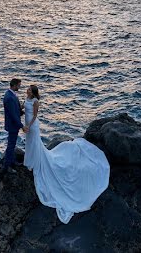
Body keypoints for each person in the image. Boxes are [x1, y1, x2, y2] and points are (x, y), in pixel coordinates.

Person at [21, 84, 110, 224]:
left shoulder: (36, 101)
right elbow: (22, 110)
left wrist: (28, 126)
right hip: (26, 124)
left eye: (29, 90)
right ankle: (31, 161)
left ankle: (36, 161)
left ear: (33, 92)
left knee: (35, 143)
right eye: (27, 90)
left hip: (32, 125)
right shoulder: (26, 99)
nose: (27, 91)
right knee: (30, 144)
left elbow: (34, 116)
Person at [2, 78, 24, 173]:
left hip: (13, 124)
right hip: (12, 125)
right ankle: (7, 166)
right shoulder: (10, 97)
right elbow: (13, 114)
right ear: (14, 85)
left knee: (12, 144)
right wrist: (21, 125)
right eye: (19, 85)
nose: (19, 87)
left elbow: (16, 110)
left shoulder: (11, 94)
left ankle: (12, 161)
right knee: (11, 145)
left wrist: (22, 109)